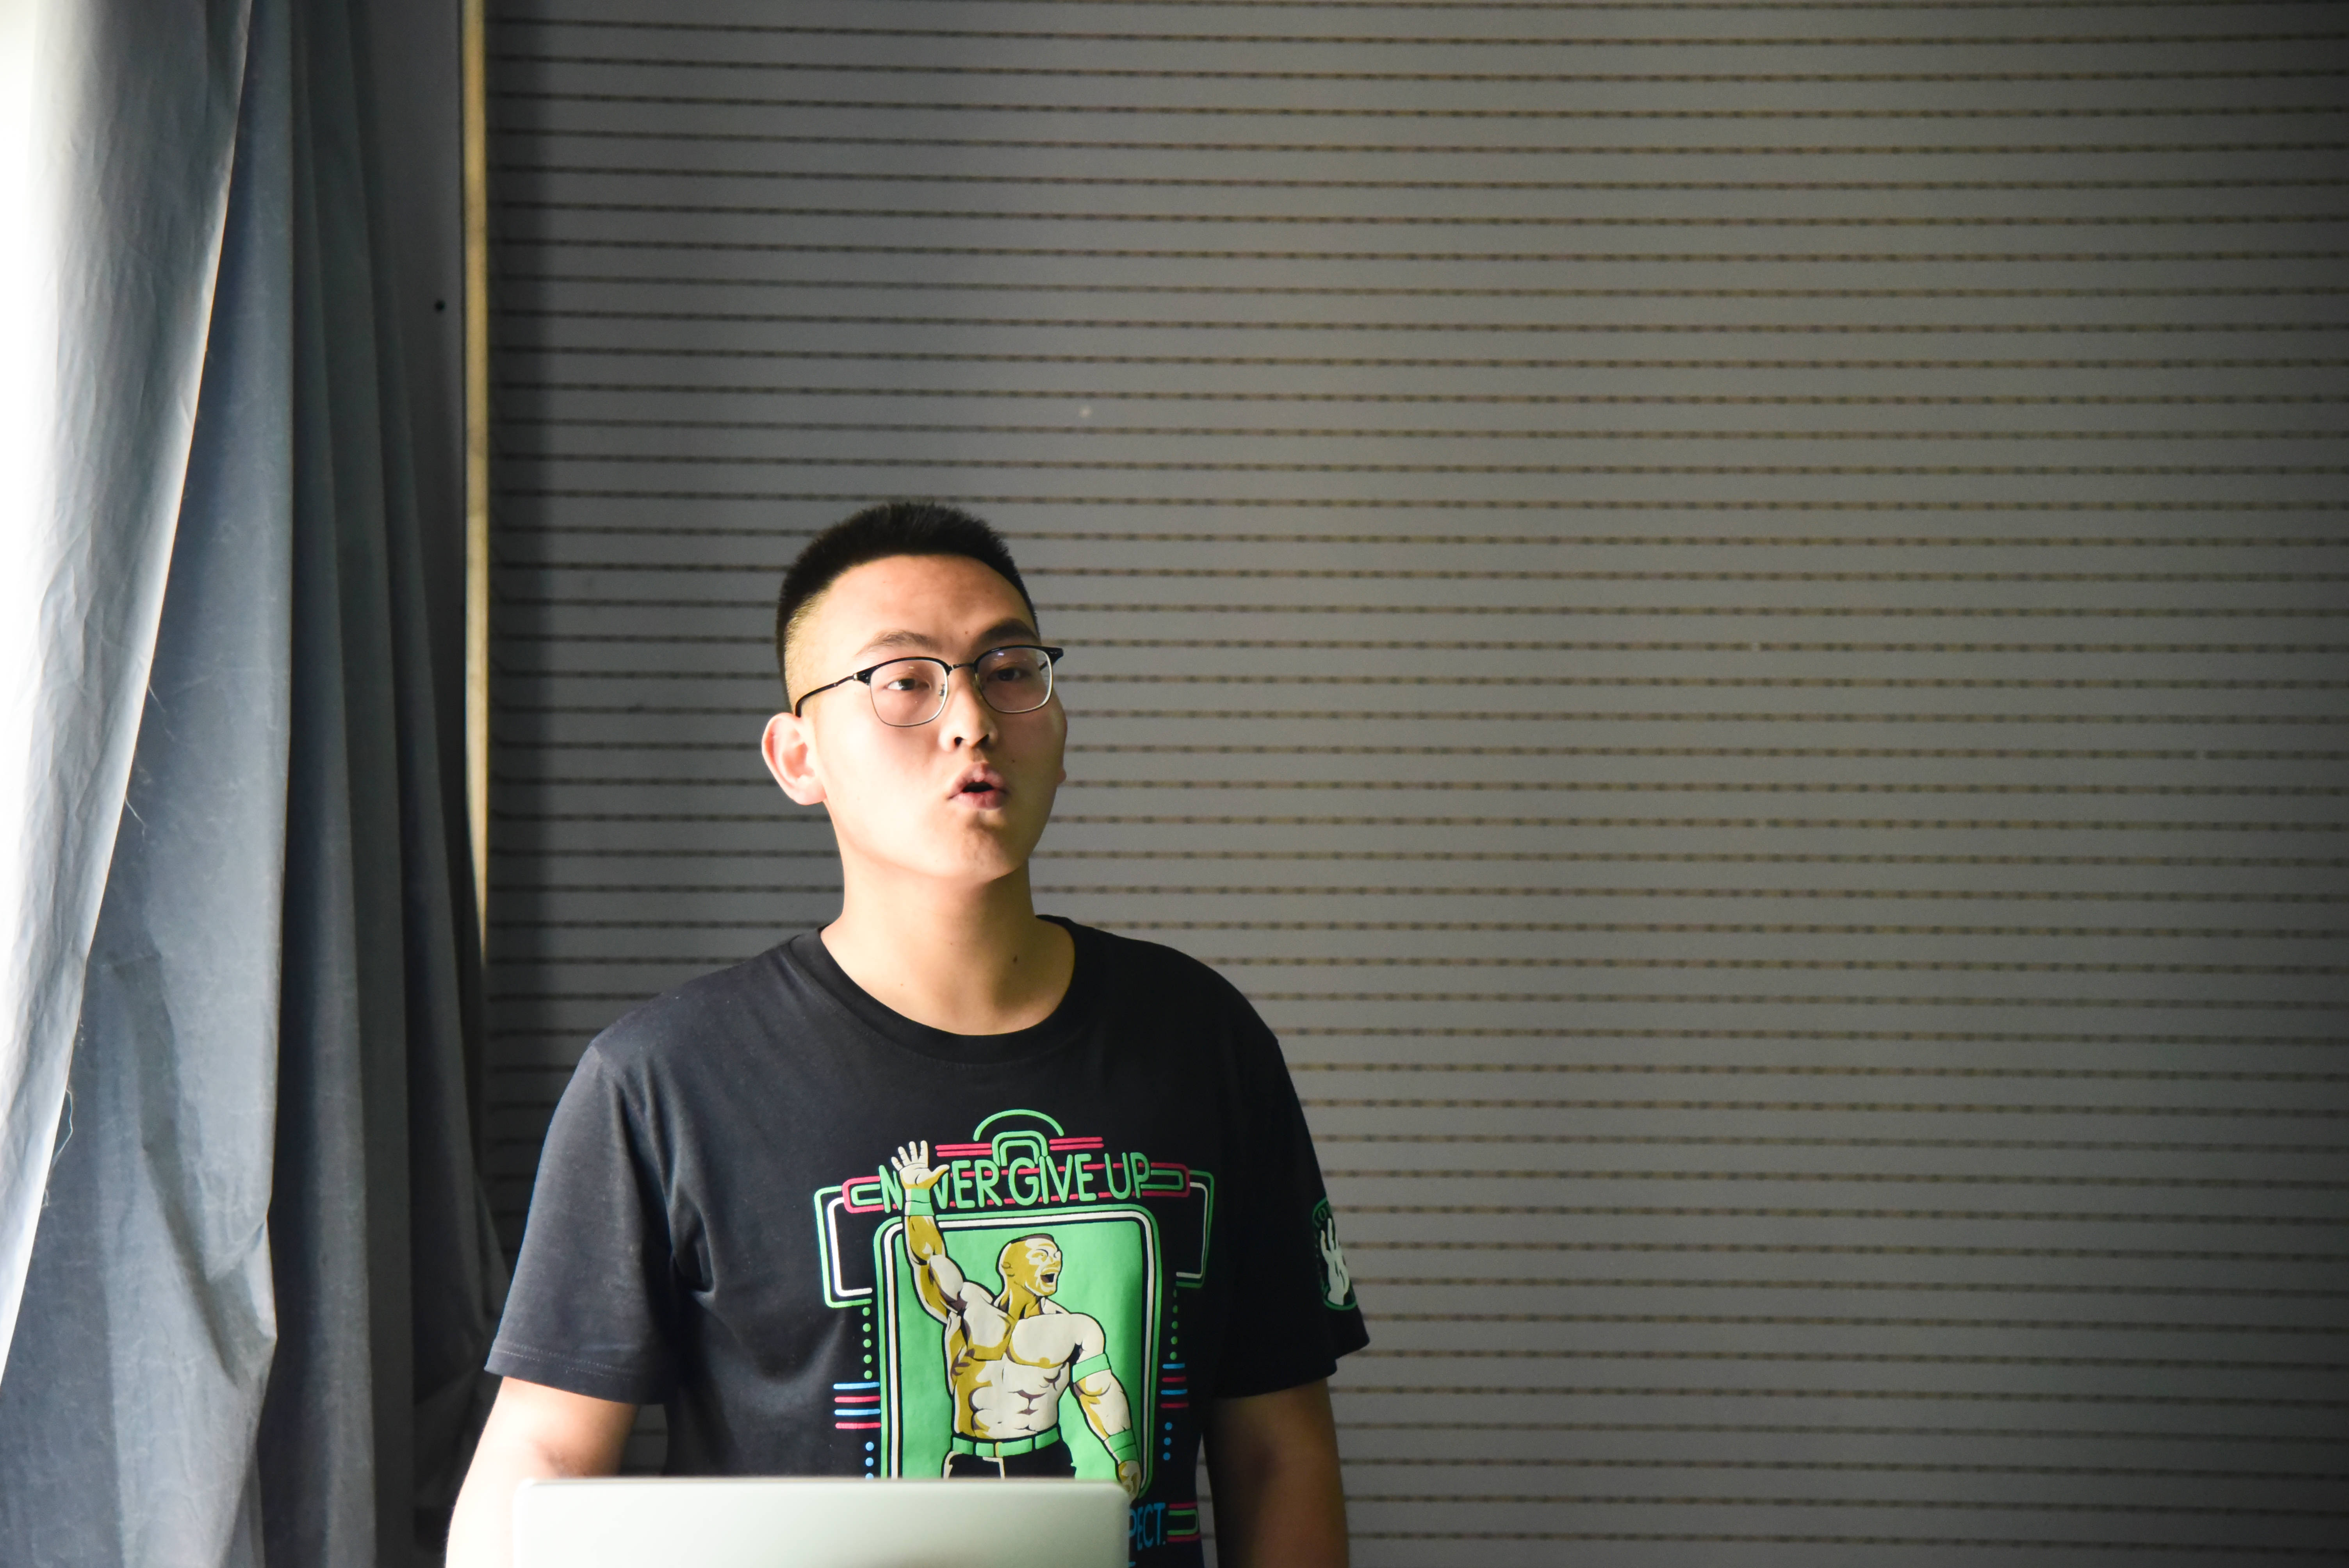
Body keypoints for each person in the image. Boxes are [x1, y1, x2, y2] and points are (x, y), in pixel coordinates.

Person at [446, 502, 1366, 1568]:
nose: (971, 718)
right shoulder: (662, 1080)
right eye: (905, 682)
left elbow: (1278, 1455)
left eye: (1009, 670)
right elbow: (544, 1454)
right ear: (799, 758)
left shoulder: (1202, 1041)